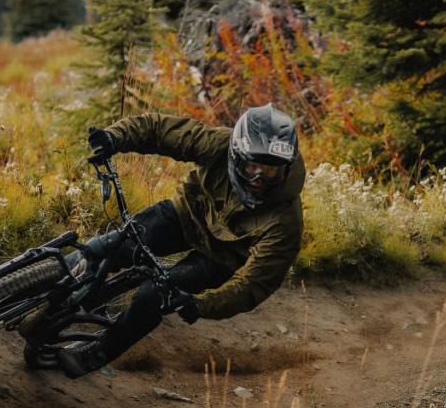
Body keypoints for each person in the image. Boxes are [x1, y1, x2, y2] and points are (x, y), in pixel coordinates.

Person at [29, 104, 305, 378]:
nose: (258, 177)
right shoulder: (217, 144)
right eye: (252, 165)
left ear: (285, 167)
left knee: (154, 296)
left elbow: (253, 285)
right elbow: (159, 130)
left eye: (270, 171)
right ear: (236, 155)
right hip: (186, 215)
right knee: (112, 246)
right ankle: (32, 283)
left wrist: (200, 305)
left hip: (221, 258)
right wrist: (114, 137)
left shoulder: (286, 222)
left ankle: (95, 353)